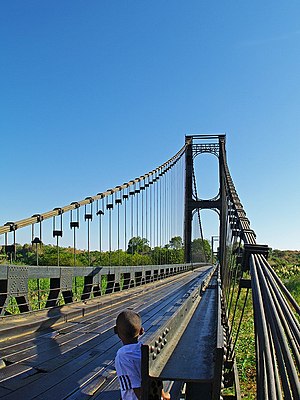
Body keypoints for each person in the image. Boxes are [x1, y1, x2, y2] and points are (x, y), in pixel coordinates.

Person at [114, 310, 170, 400]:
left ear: (116, 331)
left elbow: (137, 389)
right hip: (154, 394)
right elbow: (156, 377)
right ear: (141, 331)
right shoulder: (146, 349)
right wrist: (163, 395)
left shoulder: (122, 357)